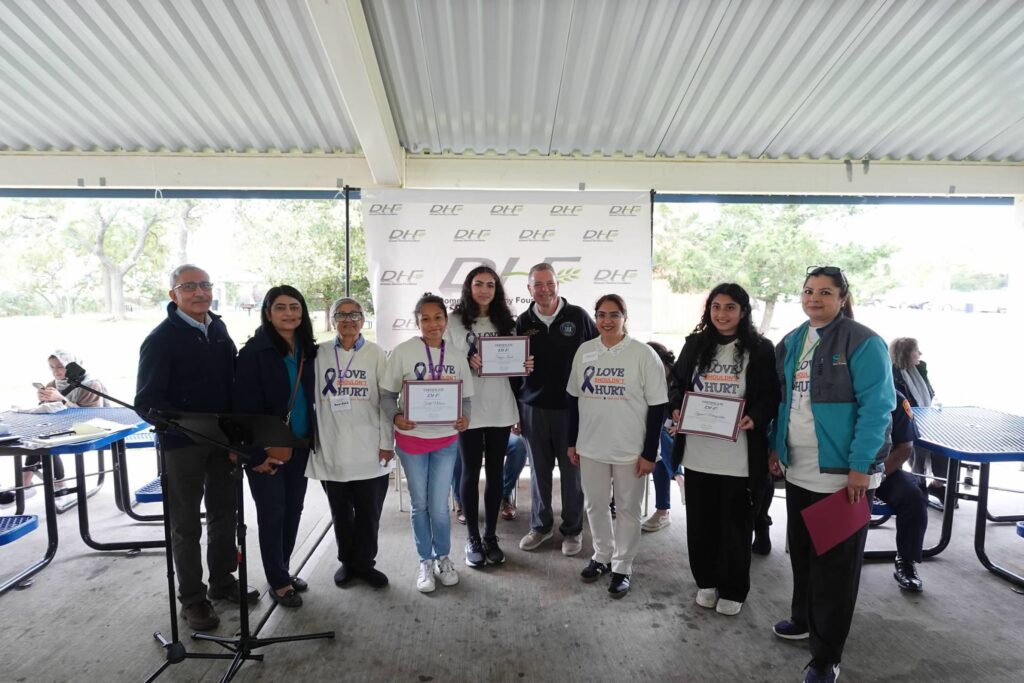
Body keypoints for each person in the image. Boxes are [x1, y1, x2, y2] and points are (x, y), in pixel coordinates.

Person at [768, 266, 895, 683]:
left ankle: (826, 656)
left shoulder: (864, 342)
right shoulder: (792, 341)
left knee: (836, 570)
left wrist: (860, 466)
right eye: (808, 291)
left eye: (825, 292)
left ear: (842, 297)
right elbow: (783, 402)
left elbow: (878, 409)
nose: (814, 298)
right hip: (800, 469)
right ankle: (803, 619)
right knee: (804, 555)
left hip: (844, 476)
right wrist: (776, 446)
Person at [135, 264, 247, 631]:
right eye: (188, 287)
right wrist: (181, 424)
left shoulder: (218, 329)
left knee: (224, 513)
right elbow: (145, 402)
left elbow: (232, 382)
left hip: (222, 440)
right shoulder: (160, 339)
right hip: (182, 445)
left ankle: (223, 581)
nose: (199, 292)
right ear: (173, 295)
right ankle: (193, 599)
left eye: (204, 285)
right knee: (185, 525)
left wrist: (235, 433)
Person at [668, 284, 779, 616]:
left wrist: (754, 417)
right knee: (700, 523)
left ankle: (733, 588)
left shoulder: (760, 348)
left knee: (735, 526)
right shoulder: (695, 344)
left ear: (743, 312)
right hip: (698, 452)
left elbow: (771, 394)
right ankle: (705, 581)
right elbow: (677, 384)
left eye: (730, 307)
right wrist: (676, 408)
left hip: (739, 456)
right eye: (716, 307)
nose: (722, 314)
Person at [567, 294, 668, 598]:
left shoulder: (643, 354)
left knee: (627, 508)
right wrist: (572, 442)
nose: (607, 321)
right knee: (595, 504)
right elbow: (573, 399)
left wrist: (649, 453)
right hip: (591, 445)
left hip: (630, 449)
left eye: (614, 315)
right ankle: (601, 555)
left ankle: (623, 565)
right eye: (601, 315)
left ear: (625, 318)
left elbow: (658, 406)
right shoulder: (585, 351)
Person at [381, 293, 474, 593]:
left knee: (439, 506)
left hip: (445, 441)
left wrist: (465, 418)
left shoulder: (456, 356)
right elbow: (386, 396)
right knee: (419, 504)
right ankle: (425, 560)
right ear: (417, 321)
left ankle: (443, 558)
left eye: (438, 318)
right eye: (425, 319)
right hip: (412, 442)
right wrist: (396, 417)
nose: (433, 324)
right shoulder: (403, 352)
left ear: (446, 320)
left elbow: (466, 399)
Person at [233, 285, 317, 608]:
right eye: (280, 307)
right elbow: (241, 410)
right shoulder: (253, 353)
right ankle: (278, 581)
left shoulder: (308, 349)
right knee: (272, 514)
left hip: (300, 444)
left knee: (293, 510)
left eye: (295, 307)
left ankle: (282, 569)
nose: (289, 313)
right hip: (267, 449)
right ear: (268, 313)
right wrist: (253, 455)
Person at [307, 297, 393, 590]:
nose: (348, 320)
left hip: (370, 448)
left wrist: (387, 442)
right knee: (340, 513)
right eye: (341, 315)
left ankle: (365, 564)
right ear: (332, 320)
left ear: (363, 320)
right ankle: (347, 562)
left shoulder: (376, 354)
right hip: (332, 448)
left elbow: (386, 400)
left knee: (369, 514)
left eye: (354, 314)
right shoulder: (318, 354)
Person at [446, 265, 527, 567]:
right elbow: (443, 358)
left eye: (490, 285)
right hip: (468, 406)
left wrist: (524, 365)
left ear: (497, 290)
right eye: (478, 284)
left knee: (494, 472)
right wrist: (466, 359)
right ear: (469, 288)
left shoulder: (507, 322)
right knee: (469, 471)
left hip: (500, 406)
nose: (484, 290)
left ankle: (491, 536)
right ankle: (472, 538)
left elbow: (515, 365)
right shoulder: (453, 321)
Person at [515, 263, 597, 556]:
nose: (544, 290)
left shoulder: (578, 317)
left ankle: (573, 529)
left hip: (571, 409)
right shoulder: (523, 322)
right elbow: (512, 372)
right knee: (538, 471)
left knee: (572, 472)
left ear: (558, 285)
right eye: (538, 285)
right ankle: (540, 526)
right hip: (533, 408)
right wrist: (516, 410)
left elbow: (597, 355)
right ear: (529, 289)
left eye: (549, 283)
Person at [22, 350, 107, 500]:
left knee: (43, 438)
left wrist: (61, 399)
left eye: (60, 366)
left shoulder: (91, 384)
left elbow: (91, 417)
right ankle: (53, 485)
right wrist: (43, 400)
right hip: (62, 427)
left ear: (71, 365)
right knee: (40, 436)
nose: (55, 371)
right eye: (52, 367)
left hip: (92, 429)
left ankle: (29, 485)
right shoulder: (52, 384)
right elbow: (50, 411)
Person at [876, 391, 928, 592]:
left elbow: (905, 448)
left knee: (913, 499)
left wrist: (875, 477)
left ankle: (906, 561)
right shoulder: (840, 390)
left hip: (882, 470)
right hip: (839, 468)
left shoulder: (895, 399)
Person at [890, 337, 947, 504]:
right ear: (907, 354)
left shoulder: (920, 370)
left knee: (946, 443)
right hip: (904, 423)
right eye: (916, 350)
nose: (920, 354)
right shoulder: (892, 374)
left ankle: (937, 484)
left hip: (925, 419)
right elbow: (898, 405)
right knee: (918, 445)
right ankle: (919, 484)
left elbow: (930, 395)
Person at [640, 341, 683, 533]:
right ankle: (679, 477)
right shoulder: (645, 378)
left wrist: (679, 425)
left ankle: (662, 511)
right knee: (657, 450)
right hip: (660, 432)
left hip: (681, 432)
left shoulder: (679, 377)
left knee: (657, 450)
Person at [499, 432, 529, 520]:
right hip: (472, 432)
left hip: (499, 432)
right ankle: (463, 500)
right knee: (463, 445)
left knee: (519, 445)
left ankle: (504, 495)